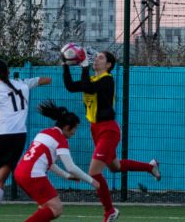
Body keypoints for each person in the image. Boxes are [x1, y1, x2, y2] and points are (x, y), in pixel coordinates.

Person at [62, 51, 161, 222]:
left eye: (101, 57)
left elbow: (89, 88)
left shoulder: (107, 79)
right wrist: (65, 65)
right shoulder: (92, 80)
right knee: (114, 166)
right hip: (96, 130)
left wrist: (84, 66)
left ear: (108, 65)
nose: (96, 59)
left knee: (93, 172)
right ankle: (150, 167)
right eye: (96, 57)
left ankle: (110, 211)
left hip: (108, 130)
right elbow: (70, 86)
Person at [0, 59, 52, 221]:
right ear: (9, 71)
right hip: (19, 137)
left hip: (0, 136)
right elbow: (45, 80)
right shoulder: (23, 83)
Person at [14, 100, 100, 222]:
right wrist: (92, 181)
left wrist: (66, 176)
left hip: (20, 173)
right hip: (33, 175)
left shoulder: (44, 132)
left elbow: (50, 164)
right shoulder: (60, 139)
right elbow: (70, 166)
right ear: (66, 127)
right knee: (56, 208)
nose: (74, 133)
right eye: (74, 129)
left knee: (46, 207)